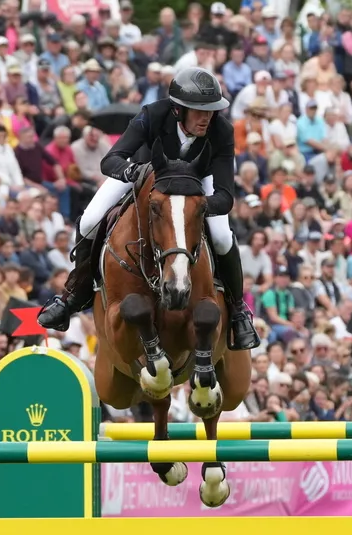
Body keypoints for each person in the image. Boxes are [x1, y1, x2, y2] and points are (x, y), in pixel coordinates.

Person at [36, 67, 259, 350]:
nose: (207, 117)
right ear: (178, 110)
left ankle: (238, 311)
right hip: (146, 174)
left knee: (222, 236)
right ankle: (72, 296)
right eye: (199, 111)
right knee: (89, 220)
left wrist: (195, 206)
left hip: (197, 184)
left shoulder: (222, 130)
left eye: (211, 111)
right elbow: (110, 160)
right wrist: (132, 172)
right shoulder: (153, 114)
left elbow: (226, 196)